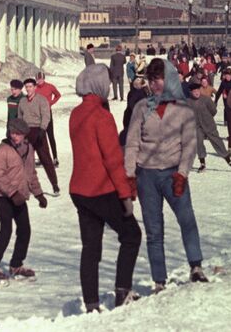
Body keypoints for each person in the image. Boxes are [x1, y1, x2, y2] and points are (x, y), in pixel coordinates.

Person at [125, 58, 208, 291]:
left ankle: (196, 266)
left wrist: (182, 174)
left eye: (158, 78)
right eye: (151, 80)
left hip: (173, 174)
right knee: (153, 229)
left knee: (187, 220)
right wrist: (130, 175)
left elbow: (189, 145)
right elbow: (132, 143)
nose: (154, 84)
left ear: (169, 79)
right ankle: (159, 279)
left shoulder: (183, 109)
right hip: (147, 177)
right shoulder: (142, 107)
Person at [69, 64, 142, 311]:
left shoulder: (76, 114)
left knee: (91, 248)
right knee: (132, 235)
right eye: (107, 83)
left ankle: (91, 304)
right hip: (101, 189)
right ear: (99, 85)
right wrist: (126, 196)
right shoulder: (102, 116)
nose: (110, 86)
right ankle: (123, 291)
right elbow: (112, 160)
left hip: (79, 190)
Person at [0, 118, 48, 284]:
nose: (15, 137)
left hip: (19, 196)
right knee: (6, 230)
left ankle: (16, 264)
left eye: (18, 134)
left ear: (24, 134)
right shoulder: (2, 152)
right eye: (12, 133)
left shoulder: (28, 149)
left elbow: (31, 174)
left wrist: (38, 194)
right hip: (3, 196)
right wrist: (12, 194)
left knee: (25, 229)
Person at [18, 78, 59, 194]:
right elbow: (19, 117)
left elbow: (46, 116)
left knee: (46, 159)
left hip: (38, 131)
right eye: (26, 87)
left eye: (30, 86)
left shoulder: (42, 100)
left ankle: (54, 185)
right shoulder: (22, 102)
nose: (28, 89)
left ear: (35, 87)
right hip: (27, 132)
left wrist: (42, 129)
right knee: (25, 160)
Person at [186, 82, 231, 172]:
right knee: (198, 143)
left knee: (217, 142)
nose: (196, 92)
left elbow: (213, 110)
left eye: (198, 90)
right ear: (191, 92)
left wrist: (207, 118)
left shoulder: (206, 99)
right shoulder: (188, 102)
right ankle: (202, 164)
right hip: (197, 126)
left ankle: (228, 160)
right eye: (194, 91)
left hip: (209, 125)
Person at [35, 72, 62, 167]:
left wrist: (51, 102)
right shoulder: (35, 88)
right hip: (38, 116)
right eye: (37, 79)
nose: (39, 81)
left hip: (47, 114)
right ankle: (42, 159)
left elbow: (58, 95)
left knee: (50, 136)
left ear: (44, 78)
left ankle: (55, 158)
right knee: (40, 137)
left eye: (40, 79)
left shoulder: (50, 87)